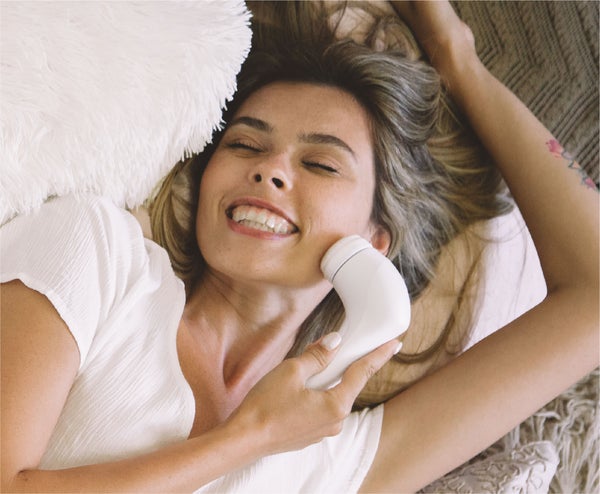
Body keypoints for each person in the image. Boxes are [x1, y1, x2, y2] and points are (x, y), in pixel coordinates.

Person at [1, 1, 597, 492]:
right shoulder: (96, 254)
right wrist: (248, 439)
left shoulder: (333, 460)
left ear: (373, 242)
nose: (271, 170)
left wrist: (459, 60)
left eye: (321, 163)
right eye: (244, 145)